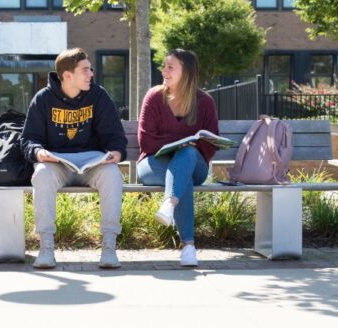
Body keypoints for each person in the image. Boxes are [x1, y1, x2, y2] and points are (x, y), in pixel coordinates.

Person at [20, 48, 127, 269]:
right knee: (41, 174)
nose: (91, 74)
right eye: (85, 70)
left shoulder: (98, 96)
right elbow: (29, 139)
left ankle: (109, 248)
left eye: (91, 69)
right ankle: (46, 248)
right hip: (57, 164)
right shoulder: (43, 99)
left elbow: (115, 136)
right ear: (68, 75)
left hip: (92, 165)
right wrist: (39, 153)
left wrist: (116, 152)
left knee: (112, 175)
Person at [137, 49, 219, 267]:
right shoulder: (154, 97)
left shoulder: (205, 102)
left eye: (170, 67)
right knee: (183, 179)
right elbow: (146, 142)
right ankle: (189, 247)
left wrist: (187, 146)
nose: (164, 70)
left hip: (195, 164)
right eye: (164, 66)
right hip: (154, 164)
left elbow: (210, 145)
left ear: (187, 72)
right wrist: (182, 142)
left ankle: (169, 203)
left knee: (188, 155)